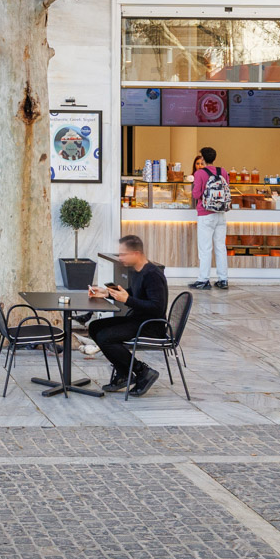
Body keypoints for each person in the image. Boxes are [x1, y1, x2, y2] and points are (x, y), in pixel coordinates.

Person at [84, 233, 169, 396]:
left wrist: (127, 300)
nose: (120, 258)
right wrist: (106, 293)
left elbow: (157, 307)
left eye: (123, 254)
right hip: (137, 319)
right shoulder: (136, 270)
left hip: (151, 326)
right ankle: (123, 373)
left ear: (136, 253)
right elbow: (133, 292)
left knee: (105, 337)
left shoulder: (152, 275)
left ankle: (142, 371)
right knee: (95, 327)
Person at [190, 146, 232, 291]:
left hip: (205, 214)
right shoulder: (223, 171)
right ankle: (223, 279)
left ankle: (203, 280)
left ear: (203, 158)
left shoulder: (200, 173)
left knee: (205, 249)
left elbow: (196, 195)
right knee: (220, 247)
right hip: (221, 214)